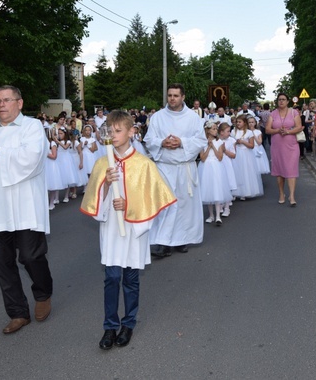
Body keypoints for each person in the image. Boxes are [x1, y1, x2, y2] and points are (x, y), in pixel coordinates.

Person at [80, 110, 176, 350]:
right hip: (112, 226)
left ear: (132, 131)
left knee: (131, 279)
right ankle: (109, 326)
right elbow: (94, 200)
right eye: (110, 131)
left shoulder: (143, 165)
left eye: (118, 130)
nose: (113, 135)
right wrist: (106, 188)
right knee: (112, 277)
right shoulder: (103, 163)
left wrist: (129, 205)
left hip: (134, 230)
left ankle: (128, 324)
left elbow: (155, 198)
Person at [0, 85, 53, 335]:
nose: (1, 105)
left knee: (30, 255)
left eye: (7, 100)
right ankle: (17, 312)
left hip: (25, 202)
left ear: (20, 102)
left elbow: (32, 158)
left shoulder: (32, 127)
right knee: (3, 263)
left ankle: (43, 292)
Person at [145, 83, 207, 257]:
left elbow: (201, 141)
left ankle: (182, 239)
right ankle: (164, 242)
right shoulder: (157, 117)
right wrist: (161, 143)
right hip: (165, 166)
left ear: (183, 97)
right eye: (169, 95)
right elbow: (149, 139)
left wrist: (182, 143)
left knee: (185, 205)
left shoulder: (193, 118)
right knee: (166, 204)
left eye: (175, 95)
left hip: (185, 166)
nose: (172, 98)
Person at [266, 92, 303, 207]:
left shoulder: (294, 112)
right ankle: (281, 194)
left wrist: (287, 132)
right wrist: (277, 131)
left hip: (291, 145)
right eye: (279, 99)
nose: (281, 101)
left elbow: (299, 127)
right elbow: (267, 129)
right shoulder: (273, 113)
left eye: (283, 99)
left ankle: (292, 195)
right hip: (277, 146)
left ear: (288, 101)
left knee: (291, 169)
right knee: (280, 171)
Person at [198, 121, 232, 225]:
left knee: (217, 189)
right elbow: (202, 158)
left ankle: (218, 216)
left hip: (216, 166)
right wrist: (208, 147)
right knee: (208, 189)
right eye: (213, 128)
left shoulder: (220, 142)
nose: (215, 130)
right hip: (206, 167)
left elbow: (220, 157)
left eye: (216, 128)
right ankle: (211, 215)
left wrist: (213, 146)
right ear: (207, 130)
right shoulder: (202, 143)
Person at [231, 114, 264, 200]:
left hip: (246, 154)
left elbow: (251, 145)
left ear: (244, 123)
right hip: (236, 153)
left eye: (239, 122)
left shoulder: (249, 133)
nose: (238, 123)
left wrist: (242, 142)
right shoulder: (233, 132)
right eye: (237, 122)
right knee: (236, 172)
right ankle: (235, 192)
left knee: (245, 172)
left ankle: (245, 192)